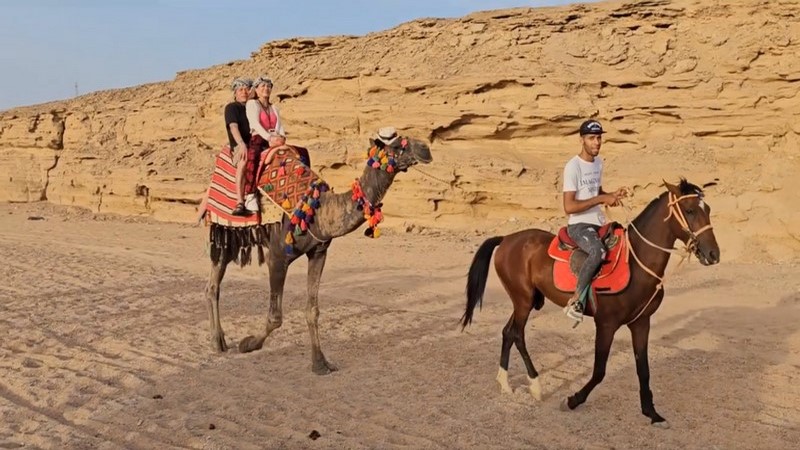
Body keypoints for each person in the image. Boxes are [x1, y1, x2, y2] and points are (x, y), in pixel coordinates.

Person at [562, 119, 628, 324]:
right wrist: (601, 199)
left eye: (599, 138)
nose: (596, 142)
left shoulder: (598, 163)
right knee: (598, 252)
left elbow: (596, 192)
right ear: (582, 140)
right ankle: (576, 300)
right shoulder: (573, 167)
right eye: (591, 138)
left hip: (598, 222)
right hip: (579, 225)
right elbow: (569, 206)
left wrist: (611, 195)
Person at [237, 76, 286, 215]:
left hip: (274, 139)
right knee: (253, 158)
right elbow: (255, 124)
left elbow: (279, 126)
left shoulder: (274, 108)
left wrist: (281, 137)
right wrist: (269, 138)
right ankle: (250, 195)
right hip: (259, 137)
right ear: (257, 90)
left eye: (268, 86)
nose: (266, 88)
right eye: (262, 86)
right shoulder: (252, 104)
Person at [224, 77, 254, 216]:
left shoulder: (253, 107)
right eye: (240, 90)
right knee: (243, 160)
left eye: (246, 89)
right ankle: (240, 201)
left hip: (256, 144)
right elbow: (233, 127)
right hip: (239, 145)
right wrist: (241, 144)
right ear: (235, 93)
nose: (244, 92)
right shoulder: (232, 108)